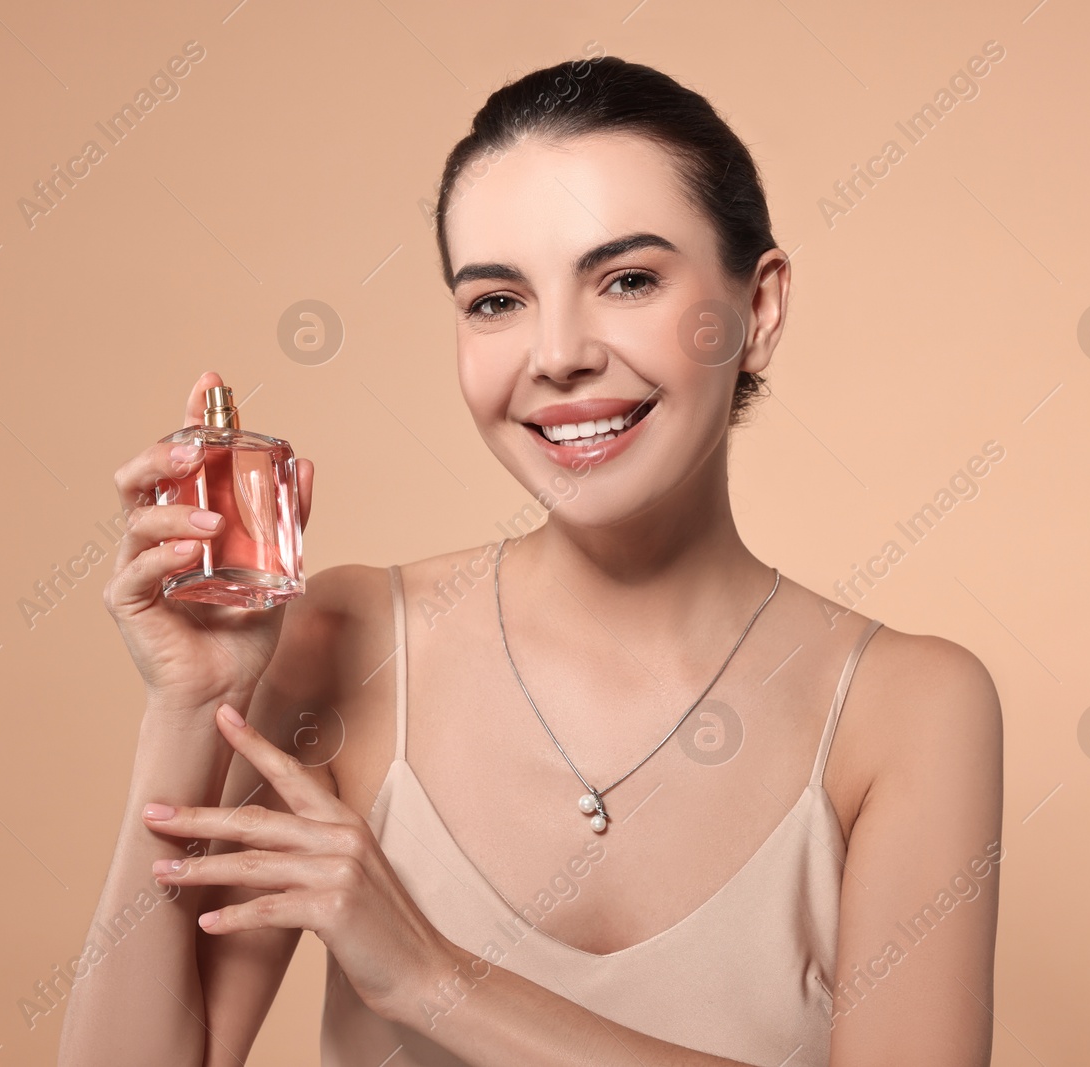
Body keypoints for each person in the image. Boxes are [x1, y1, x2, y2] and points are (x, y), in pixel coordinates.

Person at [60, 55, 1002, 1067]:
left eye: (627, 279)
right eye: (496, 300)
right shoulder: (349, 642)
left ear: (757, 308)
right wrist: (188, 710)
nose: (556, 353)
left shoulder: (906, 707)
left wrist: (431, 977)